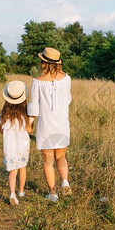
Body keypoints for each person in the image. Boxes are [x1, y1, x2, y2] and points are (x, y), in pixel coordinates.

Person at [28, 47, 72, 202]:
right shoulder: (66, 79)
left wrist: (30, 124)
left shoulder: (37, 82)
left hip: (46, 126)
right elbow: (68, 100)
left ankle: (53, 193)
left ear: (43, 63)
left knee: (48, 161)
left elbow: (33, 106)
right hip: (62, 124)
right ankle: (65, 181)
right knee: (61, 156)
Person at [0, 80, 33, 205]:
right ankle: (21, 191)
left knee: (13, 171)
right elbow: (29, 130)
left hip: (9, 148)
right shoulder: (26, 116)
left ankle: (12, 193)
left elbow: (1, 131)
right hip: (22, 147)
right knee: (22, 168)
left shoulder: (3, 115)